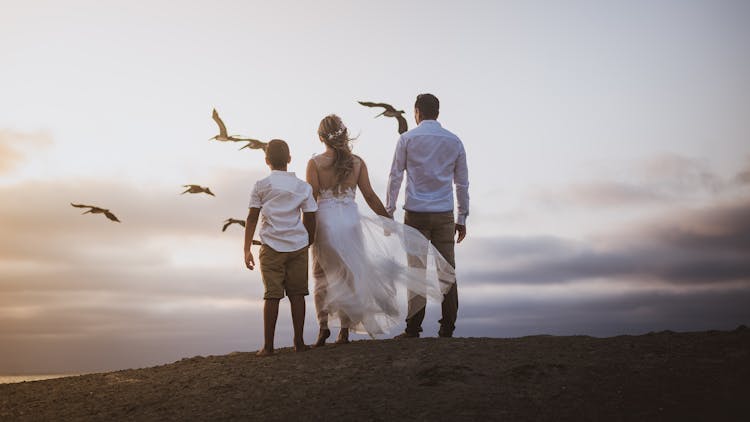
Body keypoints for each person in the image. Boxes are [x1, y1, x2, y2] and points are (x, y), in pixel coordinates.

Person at [307, 114, 455, 346]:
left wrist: (305, 228)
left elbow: (311, 198)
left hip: (325, 221)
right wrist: (387, 221)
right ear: (343, 134)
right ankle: (344, 331)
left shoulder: (315, 163)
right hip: (350, 221)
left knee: (321, 274)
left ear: (320, 136)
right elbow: (370, 196)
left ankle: (323, 326)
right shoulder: (357, 163)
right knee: (349, 274)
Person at [387, 93, 469, 339]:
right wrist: (462, 217)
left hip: (415, 214)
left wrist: (389, 211)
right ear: (438, 113)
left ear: (417, 112)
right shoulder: (454, 141)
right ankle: (447, 327)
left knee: (416, 271)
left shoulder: (407, 139)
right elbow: (462, 184)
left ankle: (413, 328)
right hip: (444, 214)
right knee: (448, 271)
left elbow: (395, 177)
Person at [244, 139, 318, 356]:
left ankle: (268, 346)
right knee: (298, 294)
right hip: (297, 245)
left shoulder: (261, 185)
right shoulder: (303, 187)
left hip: (271, 246)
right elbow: (311, 215)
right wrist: (309, 240)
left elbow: (252, 217)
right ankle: (299, 342)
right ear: (289, 159)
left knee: (272, 295)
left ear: (267, 161)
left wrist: (246, 248)